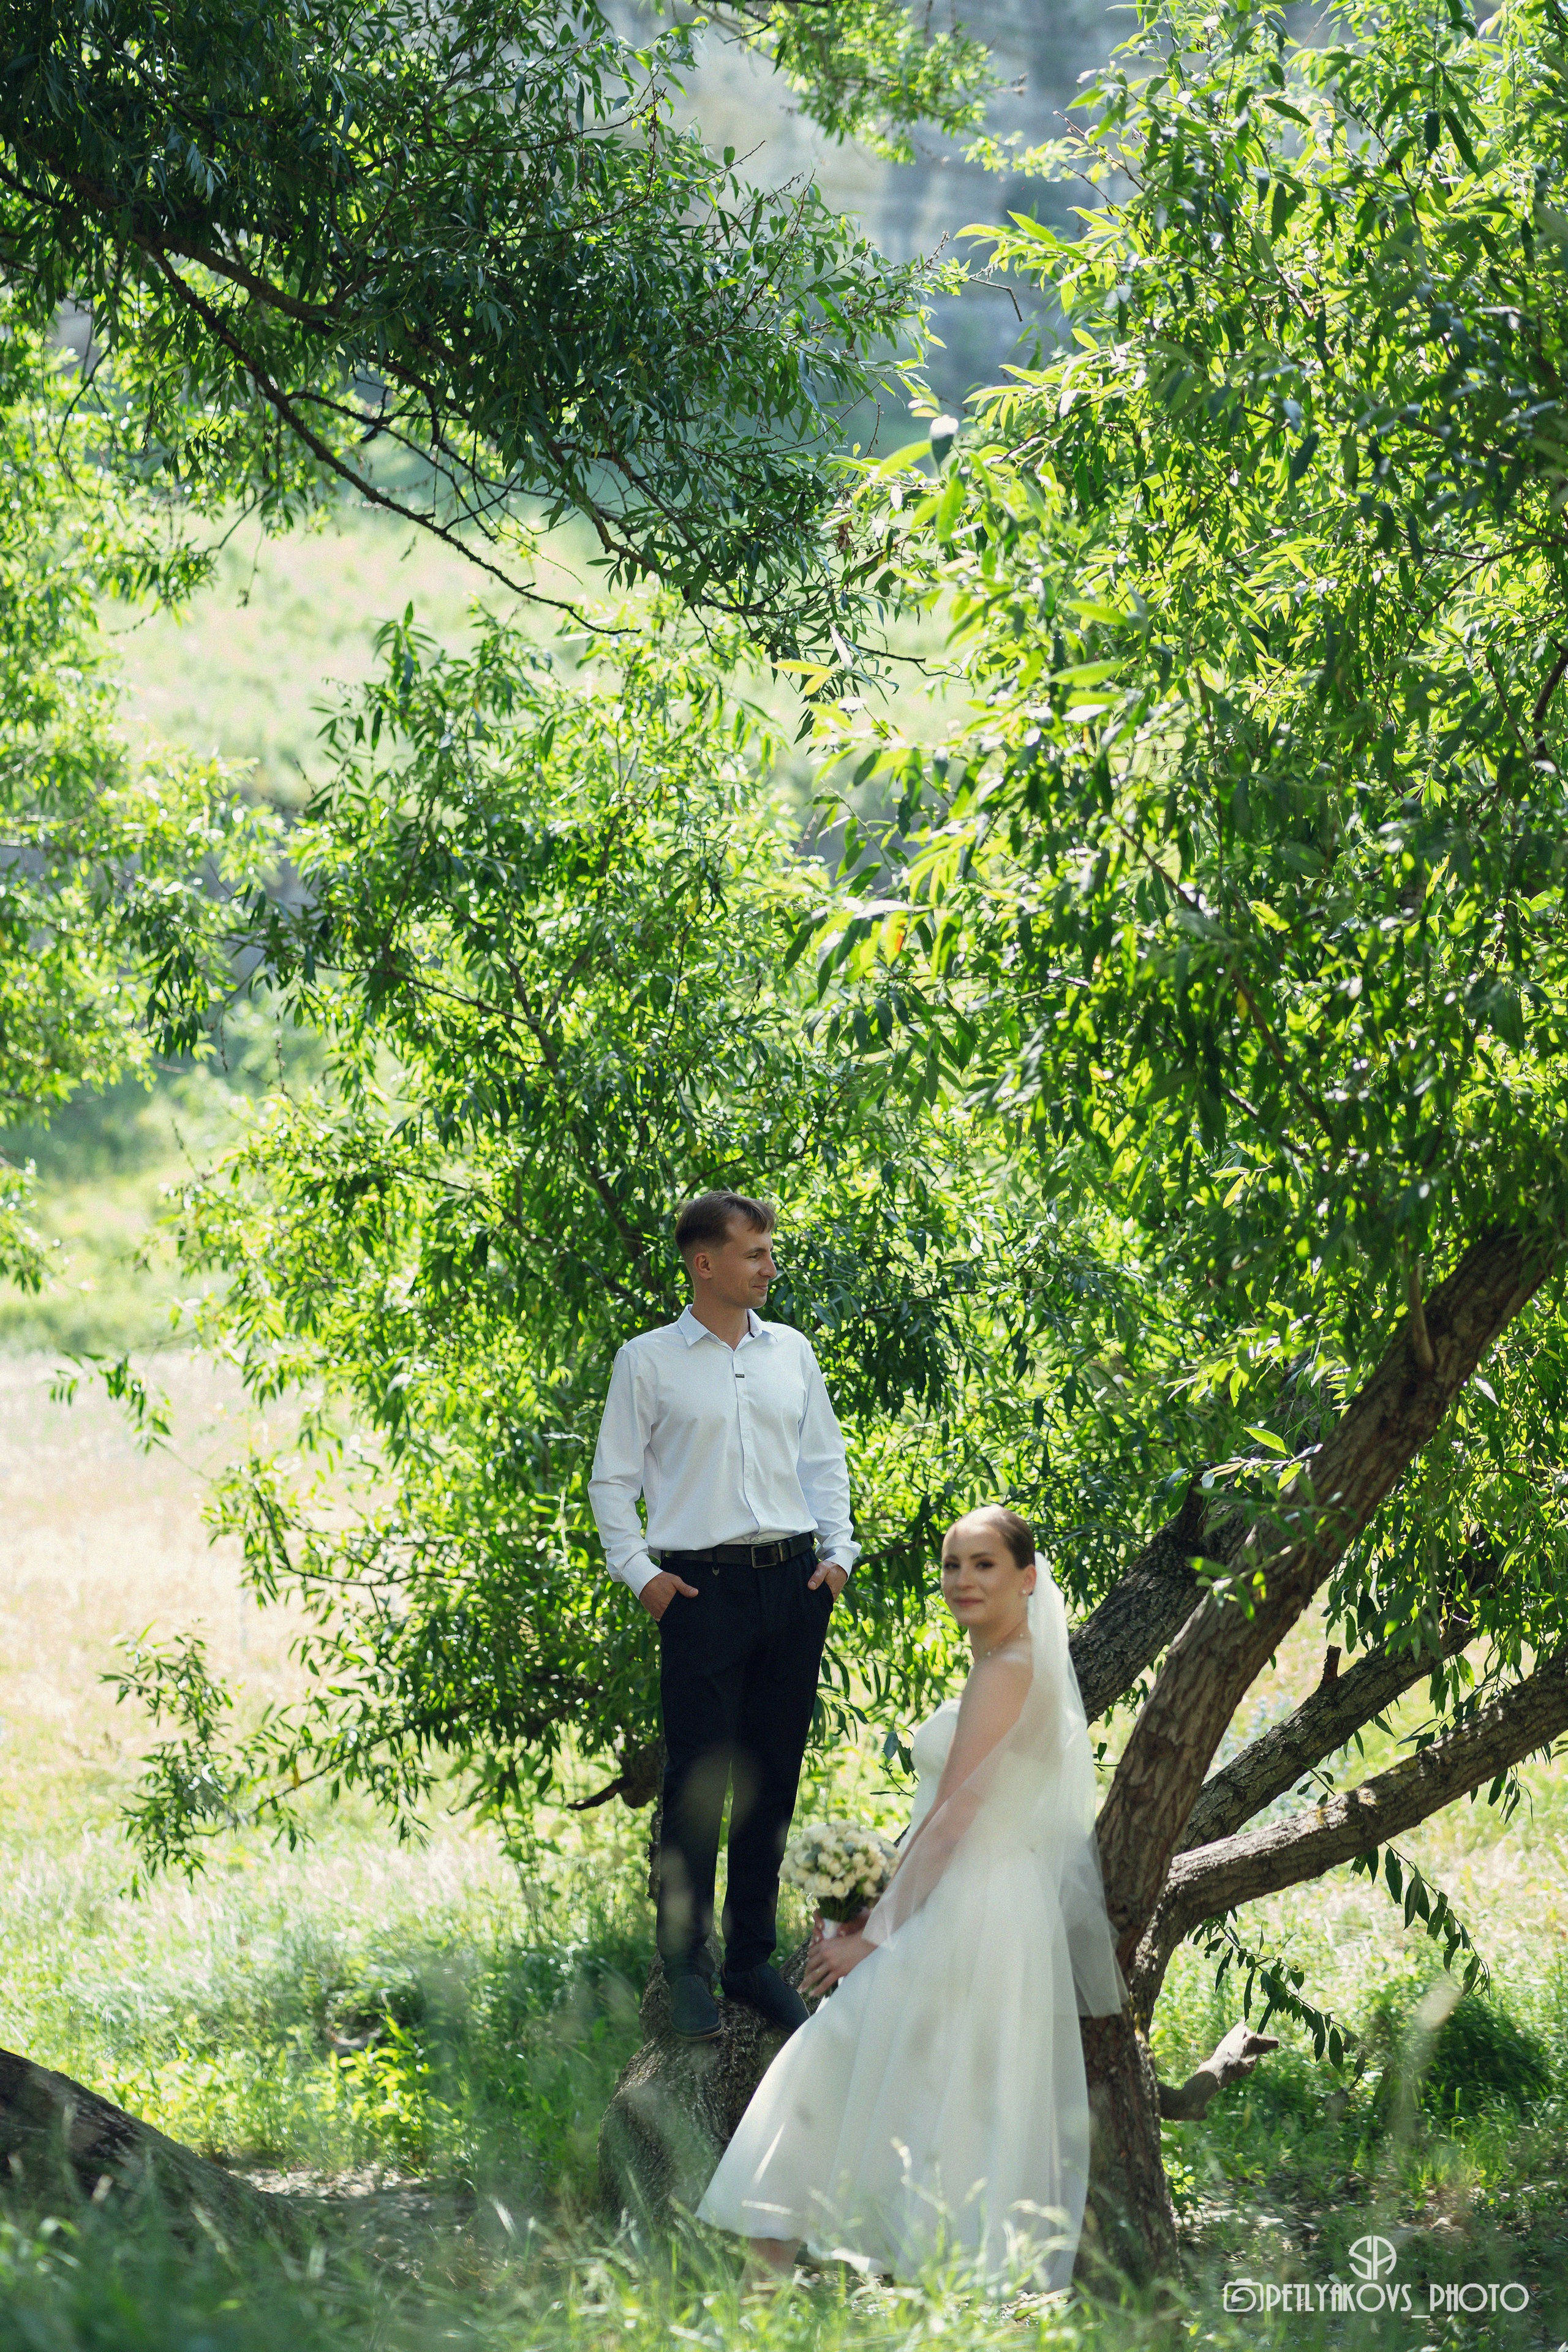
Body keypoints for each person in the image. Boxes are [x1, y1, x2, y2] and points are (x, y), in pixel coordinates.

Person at [696, 1505, 1124, 2290]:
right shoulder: (1000, 1659)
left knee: (841, 2073)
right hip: (964, 1898)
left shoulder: (1008, 1669)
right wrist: (870, 1893)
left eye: (984, 1564)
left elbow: (958, 1814)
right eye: (952, 1564)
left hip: (974, 1910)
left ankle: (776, 2301)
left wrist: (875, 1934)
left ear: (1026, 1579)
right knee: (907, 2086)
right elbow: (947, 1813)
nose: (962, 1579)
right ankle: (780, 2302)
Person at [588, 1190, 856, 2043]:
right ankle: (686, 1968)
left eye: (771, 1253)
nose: (771, 1268)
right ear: (705, 1264)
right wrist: (642, 1576)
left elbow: (826, 1462)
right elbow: (611, 1482)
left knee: (771, 1782)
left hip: (794, 1586)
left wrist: (838, 1556)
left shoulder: (793, 1353)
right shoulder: (649, 1361)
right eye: (756, 1254)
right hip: (699, 1595)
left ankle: (749, 1960)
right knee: (697, 1788)